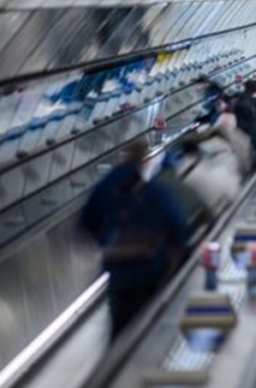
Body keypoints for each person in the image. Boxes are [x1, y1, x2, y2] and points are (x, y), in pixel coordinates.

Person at [79, 140, 189, 339]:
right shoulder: (156, 192)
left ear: (121, 160)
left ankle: (115, 362)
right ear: (143, 164)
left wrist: (106, 241)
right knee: (149, 326)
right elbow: (179, 228)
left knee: (119, 327)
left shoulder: (102, 190)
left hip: (117, 272)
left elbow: (85, 224)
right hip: (149, 270)